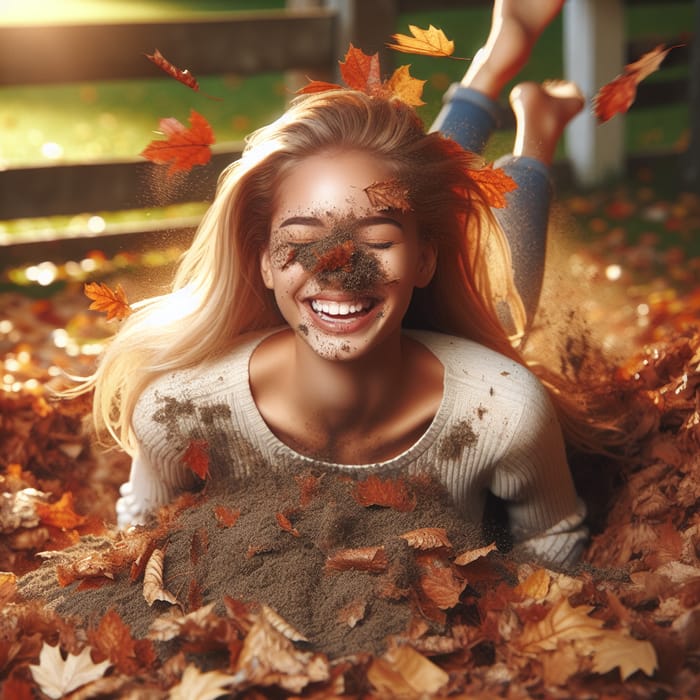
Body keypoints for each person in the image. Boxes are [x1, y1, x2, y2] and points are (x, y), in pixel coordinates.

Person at [83, 0, 591, 568]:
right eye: (303, 237)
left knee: (479, 273)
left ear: (425, 262)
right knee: (397, 183)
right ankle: (508, 84)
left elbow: (556, 564)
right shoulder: (180, 411)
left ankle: (529, 120)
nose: (340, 265)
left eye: (375, 241)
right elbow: (135, 551)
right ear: (263, 261)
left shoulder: (497, 405)